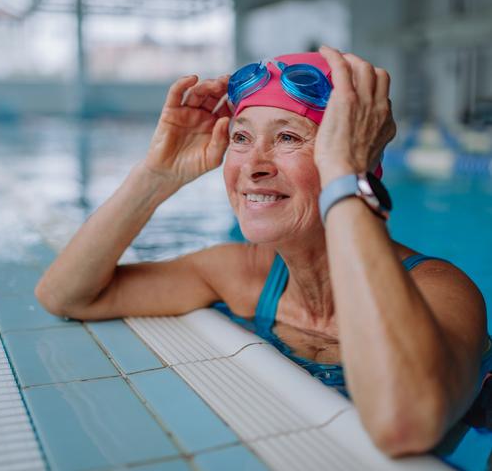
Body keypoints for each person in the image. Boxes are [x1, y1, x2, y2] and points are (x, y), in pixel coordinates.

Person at [35, 46, 492, 456]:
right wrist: (159, 174)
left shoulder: (438, 290)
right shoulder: (243, 274)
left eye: (289, 137)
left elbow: (403, 425)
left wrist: (344, 176)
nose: (253, 167)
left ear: (355, 161)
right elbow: (68, 295)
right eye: (241, 137)